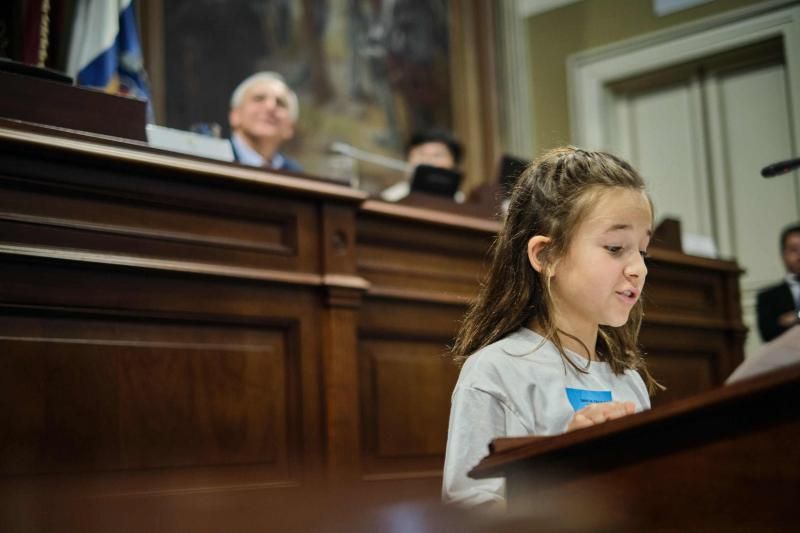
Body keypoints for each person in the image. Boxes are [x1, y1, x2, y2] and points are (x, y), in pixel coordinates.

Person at [442, 146, 662, 509]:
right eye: (615, 247)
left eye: (643, 251)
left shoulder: (629, 381)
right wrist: (563, 466)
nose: (639, 268)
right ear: (546, 256)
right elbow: (467, 509)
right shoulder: (496, 371)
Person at [228, 71, 302, 172]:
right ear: (235, 115)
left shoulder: (296, 175)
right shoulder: (210, 157)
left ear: (290, 128)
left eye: (280, 103)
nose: (270, 107)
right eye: (259, 98)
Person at [380, 129, 463, 201]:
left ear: (454, 163)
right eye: (421, 154)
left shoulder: (465, 204)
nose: (428, 160)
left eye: (438, 155)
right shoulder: (389, 198)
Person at [756, 223, 800, 342]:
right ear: (783, 255)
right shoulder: (768, 297)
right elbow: (768, 335)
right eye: (793, 250)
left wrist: (796, 316)